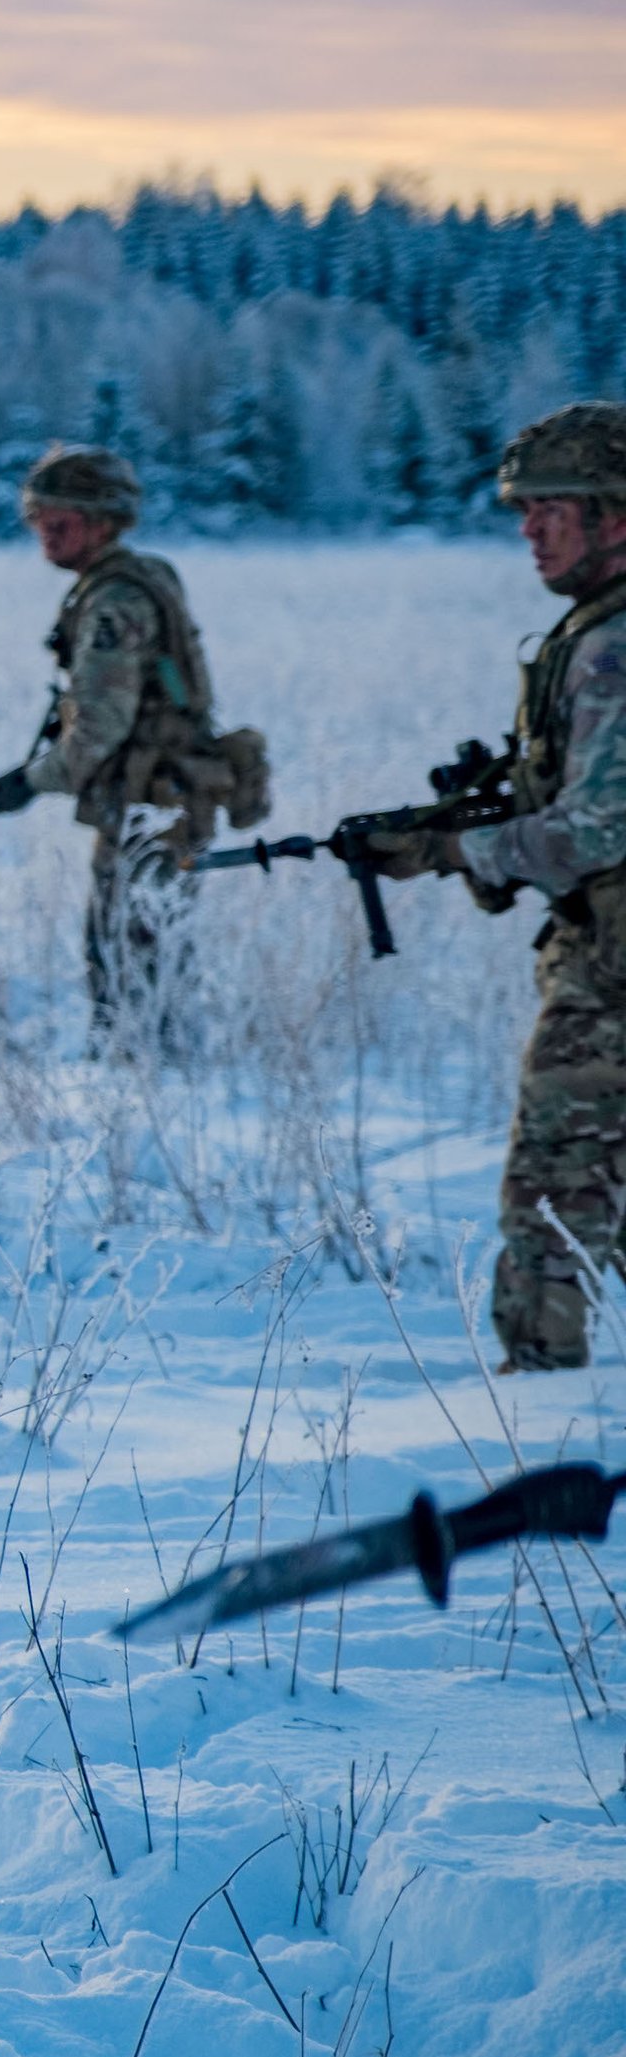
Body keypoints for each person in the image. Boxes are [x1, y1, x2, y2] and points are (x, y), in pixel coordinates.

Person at [439, 403, 626, 1370]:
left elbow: (599, 825)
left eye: (552, 510)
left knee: (553, 1189)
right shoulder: (590, 635)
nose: (529, 531)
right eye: (524, 511)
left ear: (616, 517)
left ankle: (540, 1418)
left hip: (611, 986)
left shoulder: (613, 645)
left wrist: (477, 853)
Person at [0, 445, 245, 1046]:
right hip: (166, 792)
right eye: (37, 520)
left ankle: (148, 1078)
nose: (43, 533)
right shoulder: (142, 576)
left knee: (129, 953)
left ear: (102, 522)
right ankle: (155, 1064)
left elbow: (100, 727)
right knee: (147, 945)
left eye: (59, 521)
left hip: (153, 799)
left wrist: (31, 780)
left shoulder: (113, 600)